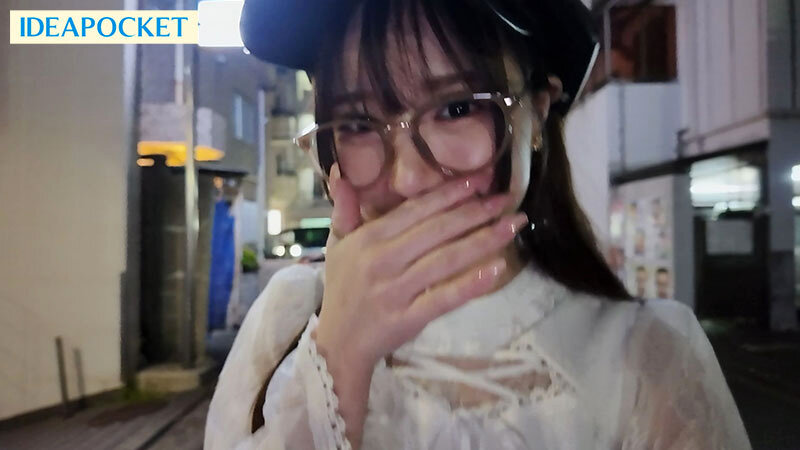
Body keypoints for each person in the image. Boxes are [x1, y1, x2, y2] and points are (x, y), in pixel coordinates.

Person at [205, 0, 750, 448]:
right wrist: (339, 356)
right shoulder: (289, 317)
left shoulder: (647, 356)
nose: (408, 178)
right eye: (357, 123)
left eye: (457, 108)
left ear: (537, 114)